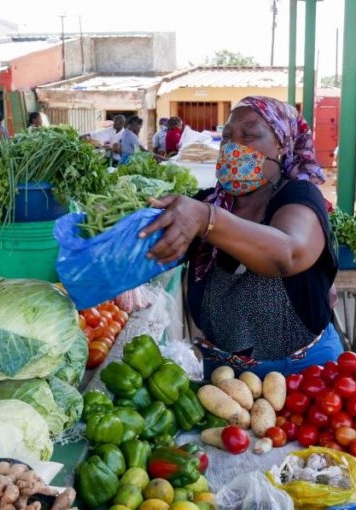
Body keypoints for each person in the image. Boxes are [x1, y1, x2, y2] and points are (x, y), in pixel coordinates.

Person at [140, 96, 342, 377]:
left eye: (249, 135)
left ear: (281, 145)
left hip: (304, 374)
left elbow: (288, 253)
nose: (234, 146)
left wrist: (208, 220)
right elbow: (150, 243)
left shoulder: (299, 195)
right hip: (225, 378)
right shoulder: (210, 201)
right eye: (227, 137)